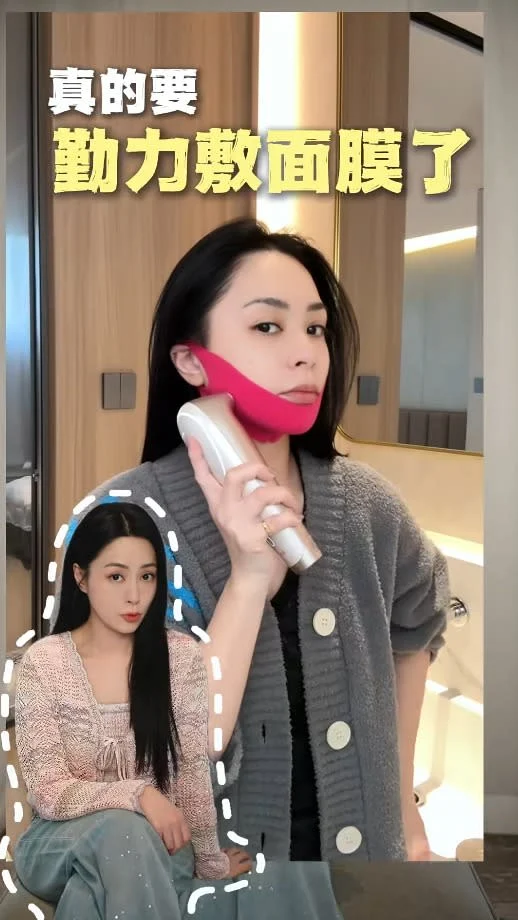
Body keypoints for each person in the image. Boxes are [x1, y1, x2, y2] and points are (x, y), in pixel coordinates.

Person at [56, 217, 450, 871]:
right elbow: (140, 747)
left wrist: (402, 804)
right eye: (268, 326)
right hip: (199, 886)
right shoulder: (120, 520)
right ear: (190, 360)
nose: (305, 353)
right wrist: (246, 578)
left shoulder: (368, 506)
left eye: (315, 329)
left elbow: (418, 620)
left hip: (360, 877)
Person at [13, 502, 250, 918]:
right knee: (122, 833)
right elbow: (48, 791)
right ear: (81, 577)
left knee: (93, 891)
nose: (135, 595)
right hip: (56, 843)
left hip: (157, 845)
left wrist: (210, 864)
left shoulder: (180, 658)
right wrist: (138, 795)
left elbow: (191, 776)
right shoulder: (44, 663)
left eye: (147, 576)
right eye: (116, 576)